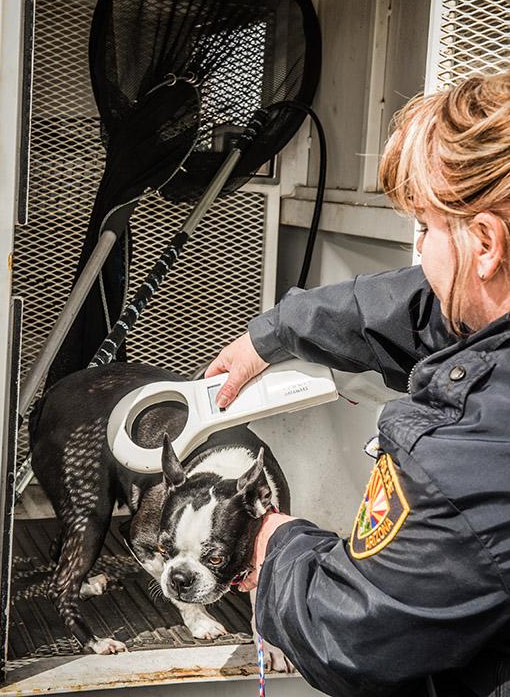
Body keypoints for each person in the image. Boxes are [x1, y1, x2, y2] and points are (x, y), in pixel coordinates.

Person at [205, 71, 510, 697]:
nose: (417, 250)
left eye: (425, 227)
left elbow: (351, 630)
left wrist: (273, 543)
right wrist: (276, 334)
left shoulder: (473, 454)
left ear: (485, 242)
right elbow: (421, 309)